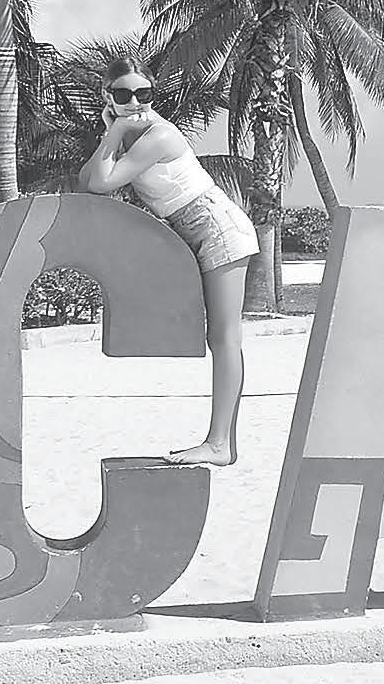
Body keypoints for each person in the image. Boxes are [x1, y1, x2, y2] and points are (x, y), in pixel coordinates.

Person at [80, 54, 258, 466]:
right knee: (221, 339)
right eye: (123, 95)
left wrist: (117, 128)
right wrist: (112, 132)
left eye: (143, 94)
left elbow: (103, 183)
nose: (135, 102)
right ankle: (221, 443)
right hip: (199, 232)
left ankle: (220, 444)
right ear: (107, 95)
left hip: (218, 228)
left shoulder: (157, 135)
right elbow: (87, 180)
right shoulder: (130, 135)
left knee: (225, 338)